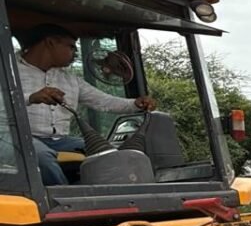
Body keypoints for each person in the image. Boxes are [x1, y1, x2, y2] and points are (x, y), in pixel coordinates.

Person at [16, 24, 156, 185]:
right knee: (41, 158)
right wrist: (31, 98)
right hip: (17, 138)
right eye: (71, 47)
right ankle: (66, 203)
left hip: (61, 140)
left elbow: (104, 101)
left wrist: (136, 103)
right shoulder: (8, 70)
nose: (75, 54)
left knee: (111, 155)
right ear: (50, 43)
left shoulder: (70, 80)